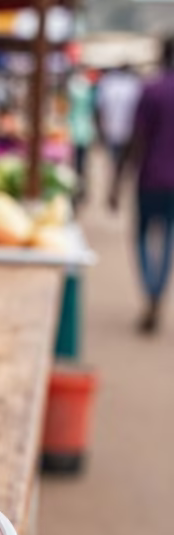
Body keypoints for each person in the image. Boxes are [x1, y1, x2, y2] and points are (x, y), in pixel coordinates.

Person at [115, 38, 174, 332]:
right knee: (168, 240)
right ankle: (158, 293)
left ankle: (150, 290)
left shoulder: (151, 90)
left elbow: (137, 138)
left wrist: (117, 180)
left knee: (141, 237)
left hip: (150, 178)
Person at [95, 63, 142, 209]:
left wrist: (101, 129)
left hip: (114, 130)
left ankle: (114, 189)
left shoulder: (109, 84)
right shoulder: (134, 86)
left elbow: (100, 108)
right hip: (126, 131)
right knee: (122, 165)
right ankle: (116, 189)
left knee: (115, 163)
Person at [67, 66, 96, 203]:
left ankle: (77, 189)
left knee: (76, 163)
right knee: (81, 163)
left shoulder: (74, 86)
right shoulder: (87, 87)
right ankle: (80, 189)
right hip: (83, 129)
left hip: (76, 129)